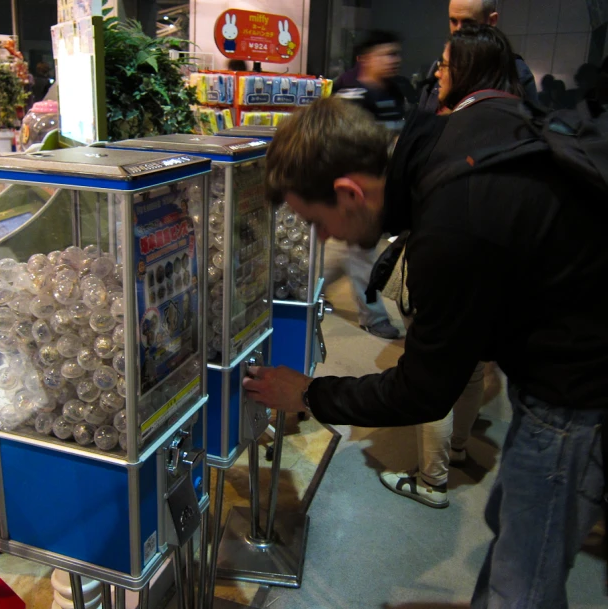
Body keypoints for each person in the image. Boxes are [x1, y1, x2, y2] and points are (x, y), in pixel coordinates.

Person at [244, 24, 608, 608]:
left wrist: (311, 394)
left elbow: (423, 390)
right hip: (567, 353)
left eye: (315, 221)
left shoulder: (451, 224)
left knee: (525, 576)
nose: (322, 238)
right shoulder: (441, 136)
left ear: (349, 192)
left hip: (578, 385)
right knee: (513, 518)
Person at [377, 22, 528, 509]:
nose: (436, 73)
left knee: (431, 372)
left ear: (464, 70)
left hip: (444, 270)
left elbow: (401, 205)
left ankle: (431, 479)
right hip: (503, 279)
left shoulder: (441, 125)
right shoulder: (525, 120)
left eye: (443, 64)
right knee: (471, 369)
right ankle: (458, 450)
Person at [326, 30, 405, 340]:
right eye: (388, 54)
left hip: (379, 188)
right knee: (361, 252)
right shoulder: (350, 91)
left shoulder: (394, 92)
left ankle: (305, 291)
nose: (394, 60)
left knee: (343, 253)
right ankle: (373, 317)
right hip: (354, 189)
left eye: (396, 54)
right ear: (367, 58)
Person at [419, 0, 538, 113]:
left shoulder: (516, 72)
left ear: (492, 21)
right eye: (453, 21)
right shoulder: (439, 67)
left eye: (468, 23)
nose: (458, 31)